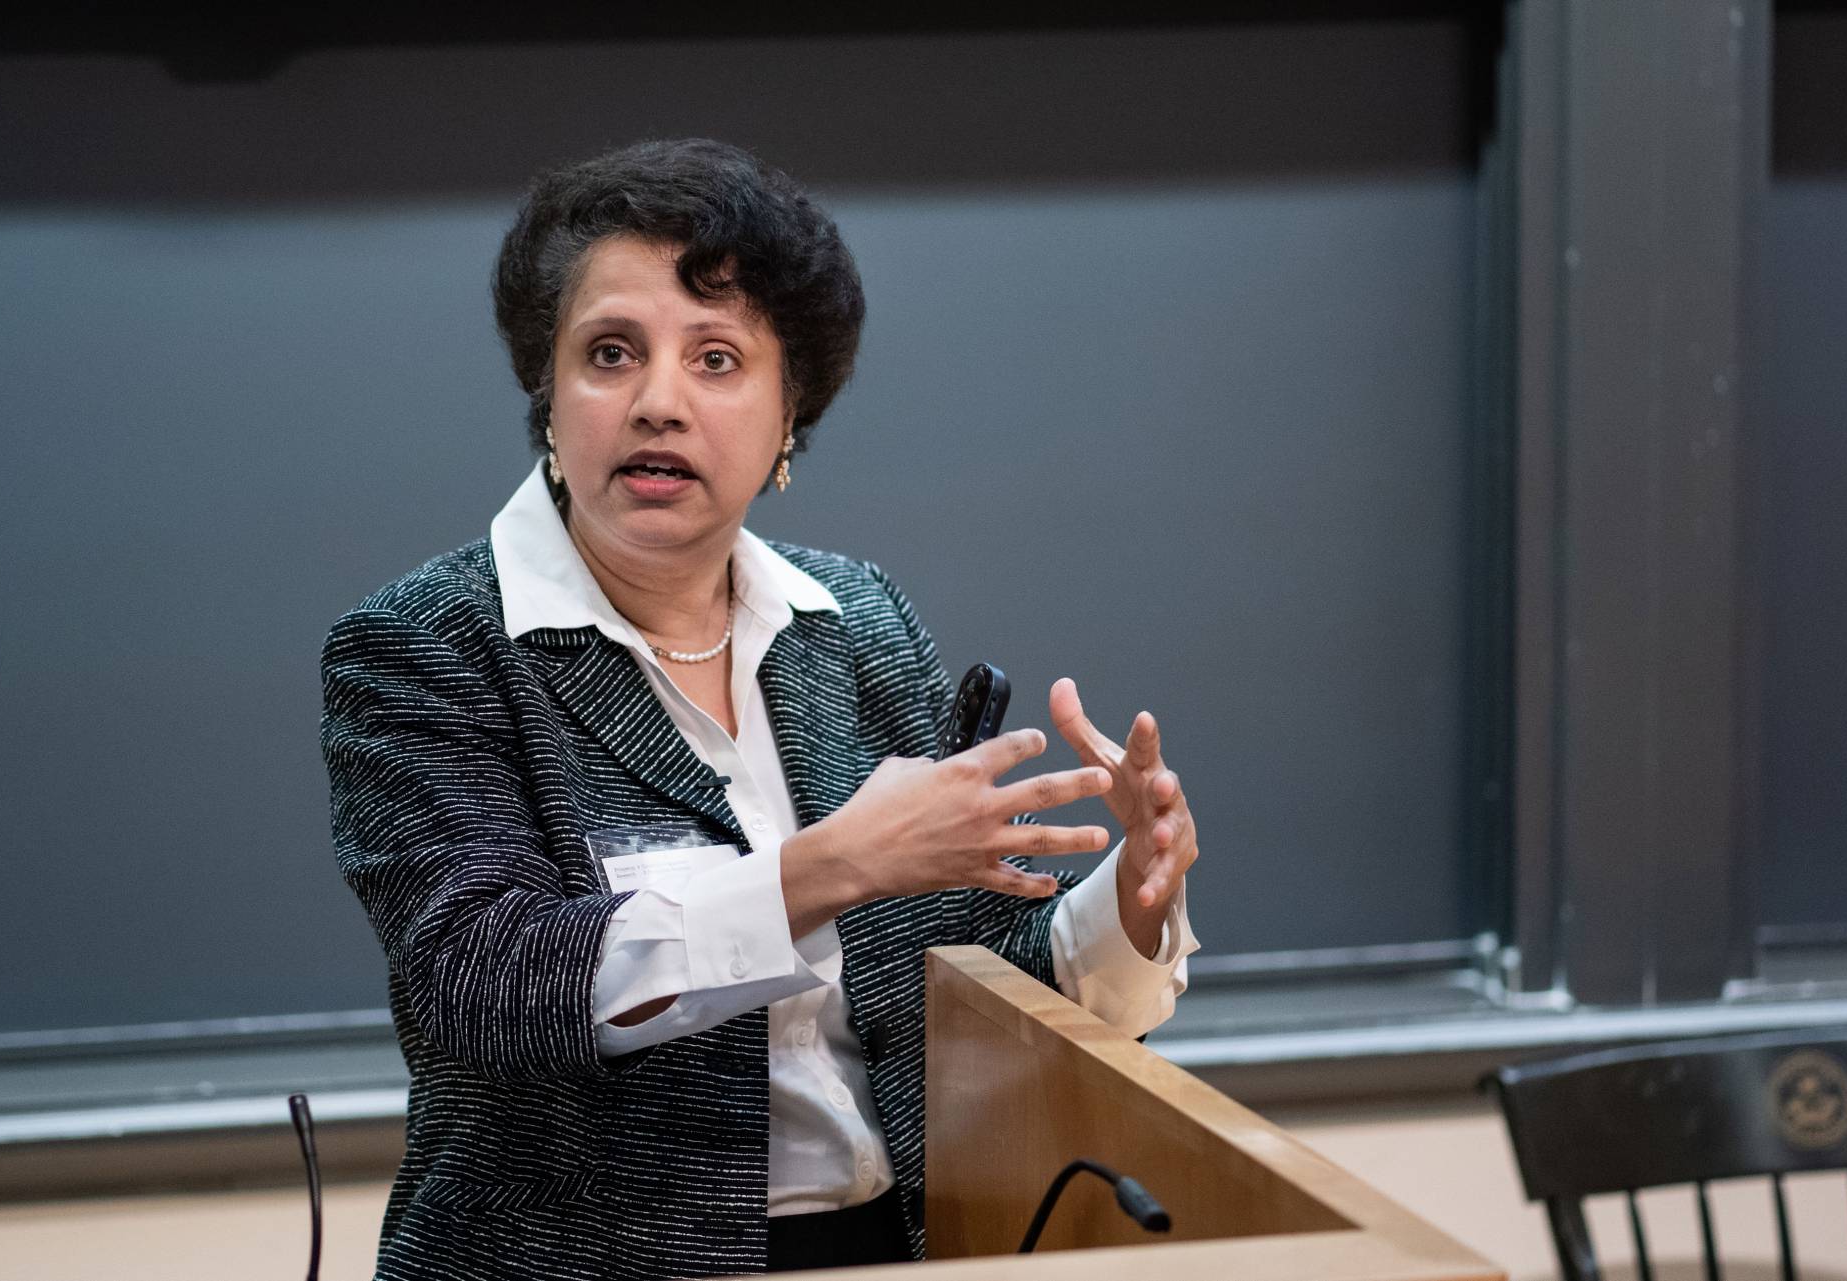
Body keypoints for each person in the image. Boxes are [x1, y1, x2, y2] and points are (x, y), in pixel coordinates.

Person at [321, 138, 1201, 1281]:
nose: (657, 403)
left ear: (791, 416)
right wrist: (829, 867)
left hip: (893, 1246)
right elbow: (486, 982)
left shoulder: (859, 625)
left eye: (719, 359)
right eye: (610, 354)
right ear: (550, 396)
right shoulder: (426, 645)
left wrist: (1127, 909)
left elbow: (956, 991)